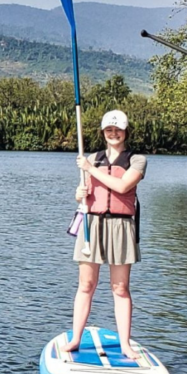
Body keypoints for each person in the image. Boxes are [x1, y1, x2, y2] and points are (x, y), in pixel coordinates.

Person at [63, 110, 147, 359]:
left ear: (126, 132)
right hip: (93, 224)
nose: (113, 133)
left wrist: (89, 167)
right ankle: (76, 338)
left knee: (120, 288)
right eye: (109, 130)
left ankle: (125, 345)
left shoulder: (137, 160)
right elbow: (85, 194)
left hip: (121, 227)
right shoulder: (93, 158)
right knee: (86, 284)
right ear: (103, 133)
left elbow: (122, 186)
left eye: (118, 129)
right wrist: (79, 193)